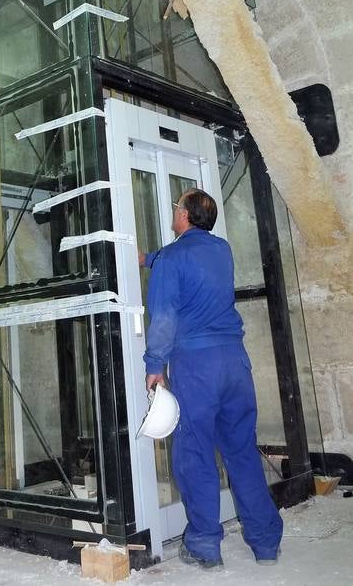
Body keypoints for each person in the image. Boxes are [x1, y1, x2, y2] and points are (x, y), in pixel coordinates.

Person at [139, 187, 283, 570]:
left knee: (196, 452)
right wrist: (151, 258)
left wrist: (155, 366)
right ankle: (266, 543)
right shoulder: (221, 250)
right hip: (235, 363)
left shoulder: (173, 258)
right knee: (240, 449)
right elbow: (191, 264)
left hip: (197, 365)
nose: (173, 211)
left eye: (176, 206)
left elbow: (165, 317)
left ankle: (204, 545)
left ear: (184, 216)